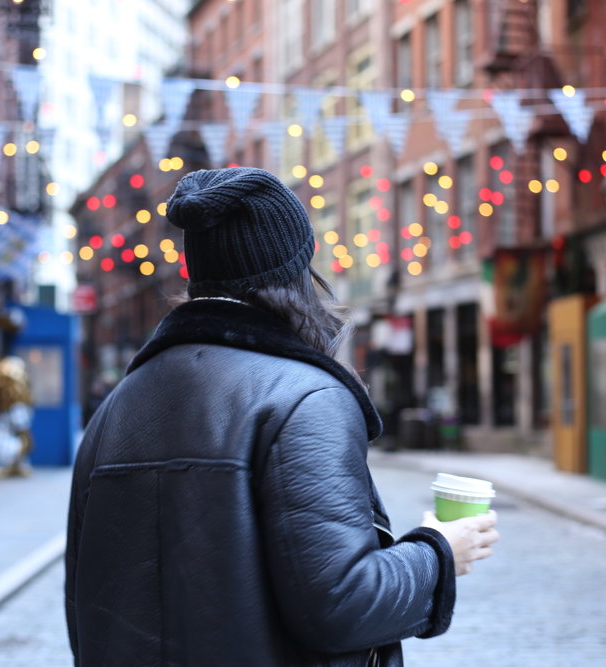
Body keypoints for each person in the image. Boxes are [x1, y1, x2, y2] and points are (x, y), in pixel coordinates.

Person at [65, 167, 499, 666]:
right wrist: (440, 552)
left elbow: (86, 609)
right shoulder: (306, 398)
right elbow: (343, 604)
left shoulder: (116, 407)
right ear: (296, 272)